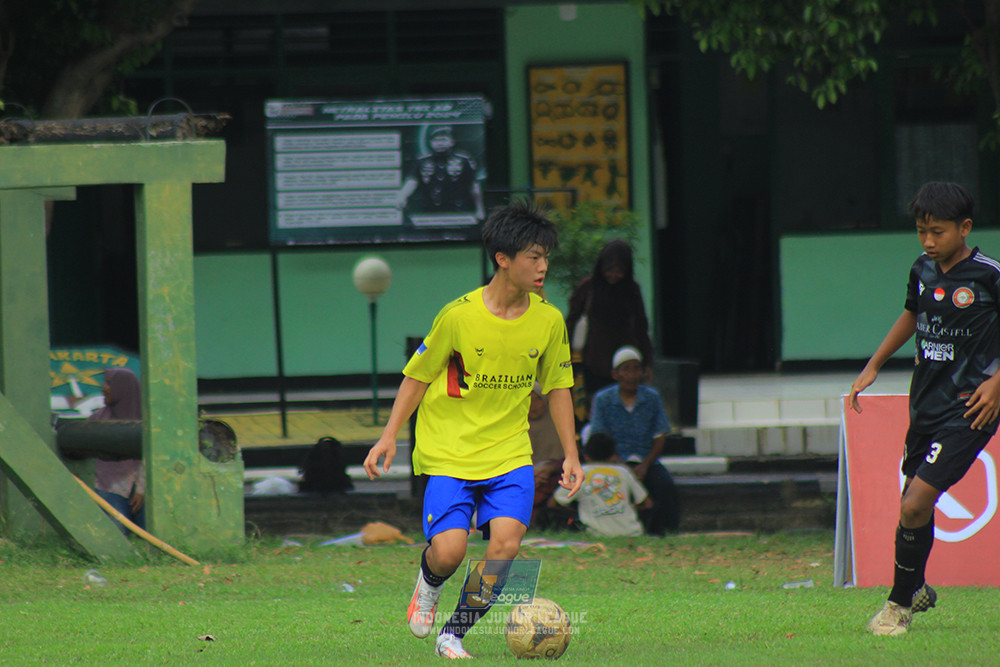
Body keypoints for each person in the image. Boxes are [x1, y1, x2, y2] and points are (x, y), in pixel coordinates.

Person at [363, 199, 583, 659]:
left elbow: (559, 388)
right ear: (503, 259)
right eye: (534, 257)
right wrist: (388, 436)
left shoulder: (549, 320)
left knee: (505, 545)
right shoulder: (458, 316)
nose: (543, 267)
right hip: (450, 451)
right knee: (449, 552)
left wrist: (571, 454)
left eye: (546, 257)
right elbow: (416, 378)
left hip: (509, 452)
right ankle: (428, 584)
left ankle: (454, 633)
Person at [849, 181, 1000, 637]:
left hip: (970, 408)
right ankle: (915, 587)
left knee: (915, 502)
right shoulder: (922, 269)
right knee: (912, 505)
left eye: (937, 232)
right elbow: (912, 315)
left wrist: (997, 382)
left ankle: (897, 607)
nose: (928, 241)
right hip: (926, 405)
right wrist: (874, 364)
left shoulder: (989, 276)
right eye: (921, 231)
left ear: (964, 228)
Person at [588, 345, 680, 534]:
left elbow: (660, 436)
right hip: (614, 462)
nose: (631, 375)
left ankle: (667, 531)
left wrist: (645, 465)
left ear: (642, 373)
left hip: (647, 461)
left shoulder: (652, 397)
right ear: (615, 374)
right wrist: (622, 466)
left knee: (664, 485)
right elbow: (599, 437)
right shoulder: (603, 399)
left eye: (636, 368)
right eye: (626, 369)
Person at [565, 239, 653, 417]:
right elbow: (571, 323)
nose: (614, 275)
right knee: (595, 410)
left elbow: (641, 327)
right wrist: (565, 359)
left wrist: (648, 363)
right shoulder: (588, 288)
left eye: (619, 271)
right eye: (609, 270)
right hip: (594, 361)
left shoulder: (631, 290)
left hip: (625, 362)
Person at [552, 431, 651, 537]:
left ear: (586, 456)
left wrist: (579, 513)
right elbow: (647, 504)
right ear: (613, 456)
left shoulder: (581, 472)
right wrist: (624, 509)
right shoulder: (623, 471)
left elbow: (553, 503)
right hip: (631, 533)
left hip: (596, 534)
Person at [89, 367, 145, 535]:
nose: (104, 388)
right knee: (116, 533)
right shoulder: (96, 419)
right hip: (107, 486)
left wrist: (141, 489)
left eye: (109, 383)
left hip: (140, 486)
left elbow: (150, 458)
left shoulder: (146, 420)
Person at [398, 125, 486, 220]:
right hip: (430, 211)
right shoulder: (423, 161)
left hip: (458, 210)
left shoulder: (463, 160)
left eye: (443, 140)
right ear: (430, 142)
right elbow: (413, 181)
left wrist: (479, 209)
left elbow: (474, 185)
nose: (440, 143)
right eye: (436, 140)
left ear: (452, 141)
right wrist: (402, 196)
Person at [527, 382, 566, 525]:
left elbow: (570, 458)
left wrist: (550, 468)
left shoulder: (558, 424)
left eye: (537, 399)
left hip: (554, 478)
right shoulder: (512, 426)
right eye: (528, 399)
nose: (533, 405)